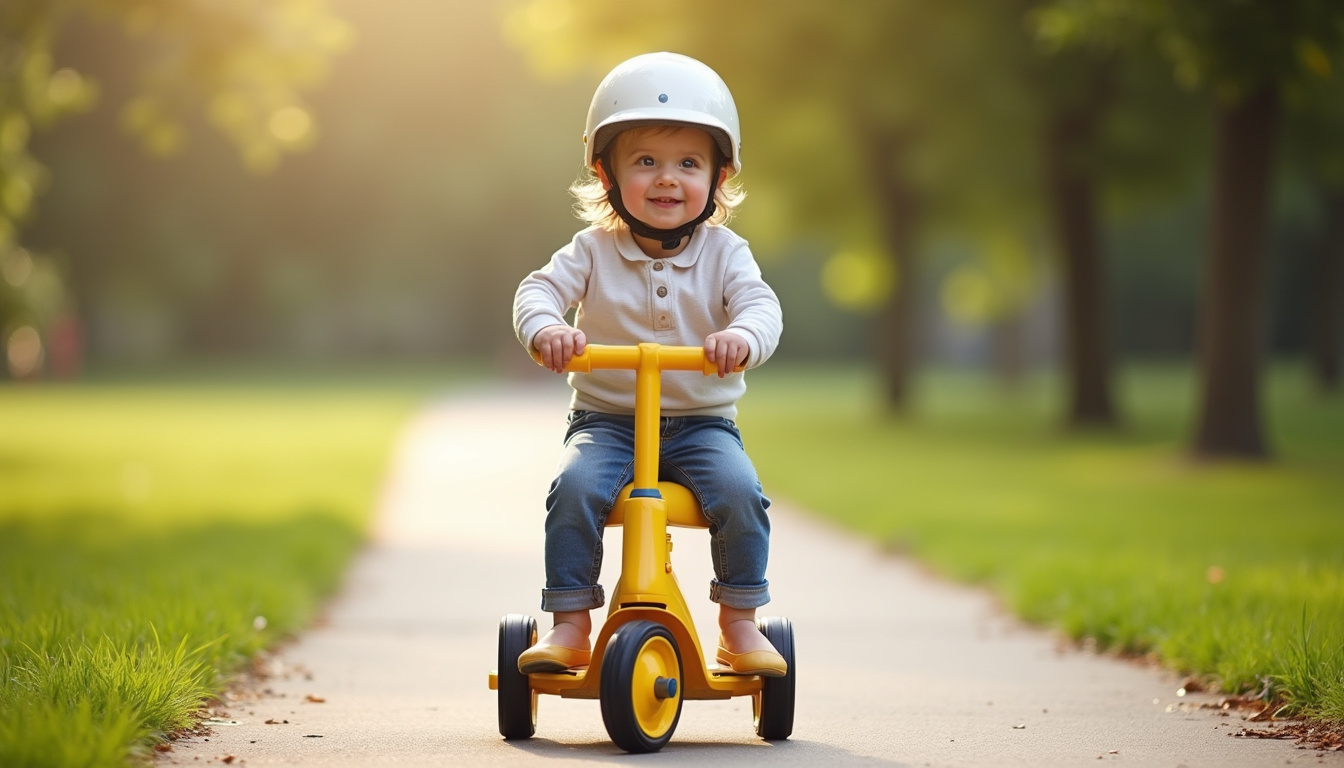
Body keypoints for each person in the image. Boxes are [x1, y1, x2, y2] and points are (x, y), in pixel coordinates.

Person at [512, 52, 786, 677]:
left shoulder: (726, 252)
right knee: (574, 490)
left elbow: (760, 306)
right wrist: (547, 328)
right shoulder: (592, 249)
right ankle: (571, 624)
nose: (667, 179)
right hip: (606, 421)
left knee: (743, 495)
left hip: (700, 426)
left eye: (688, 163)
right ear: (607, 176)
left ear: (718, 178)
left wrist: (742, 336)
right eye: (646, 162)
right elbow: (538, 291)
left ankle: (740, 621)